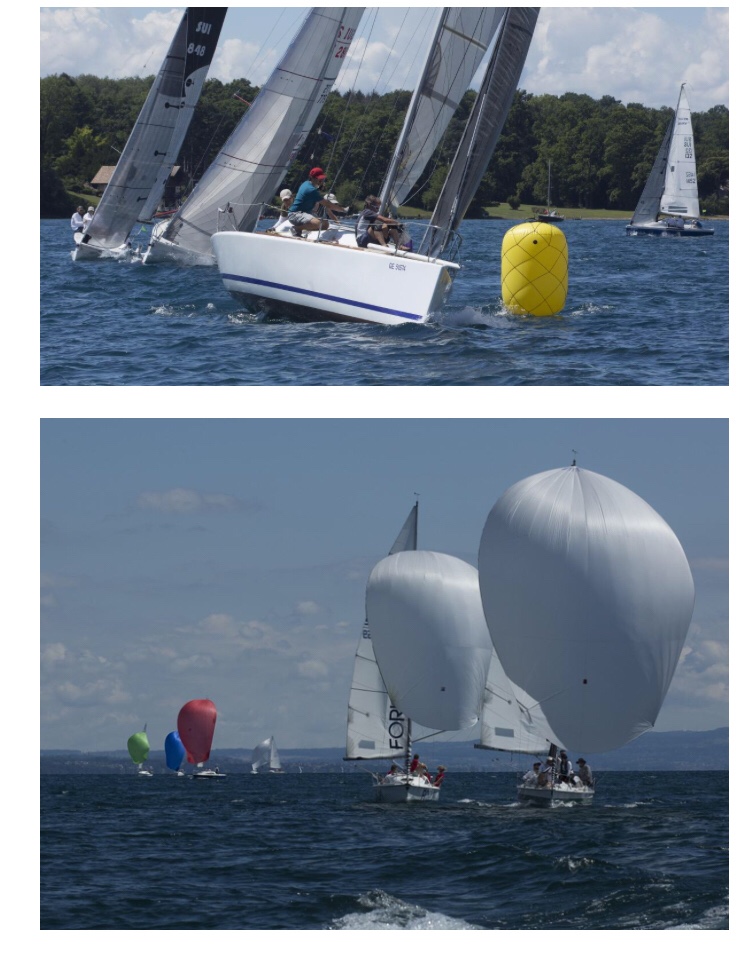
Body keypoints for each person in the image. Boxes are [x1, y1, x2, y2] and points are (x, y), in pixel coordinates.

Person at [287, 167, 346, 236]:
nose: (321, 181)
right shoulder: (310, 189)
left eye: (322, 179)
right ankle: (296, 229)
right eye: (319, 179)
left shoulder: (307, 183)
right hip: (295, 214)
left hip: (306, 213)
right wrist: (343, 210)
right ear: (311, 178)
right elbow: (328, 205)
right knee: (318, 223)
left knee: (325, 225)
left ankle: (304, 230)